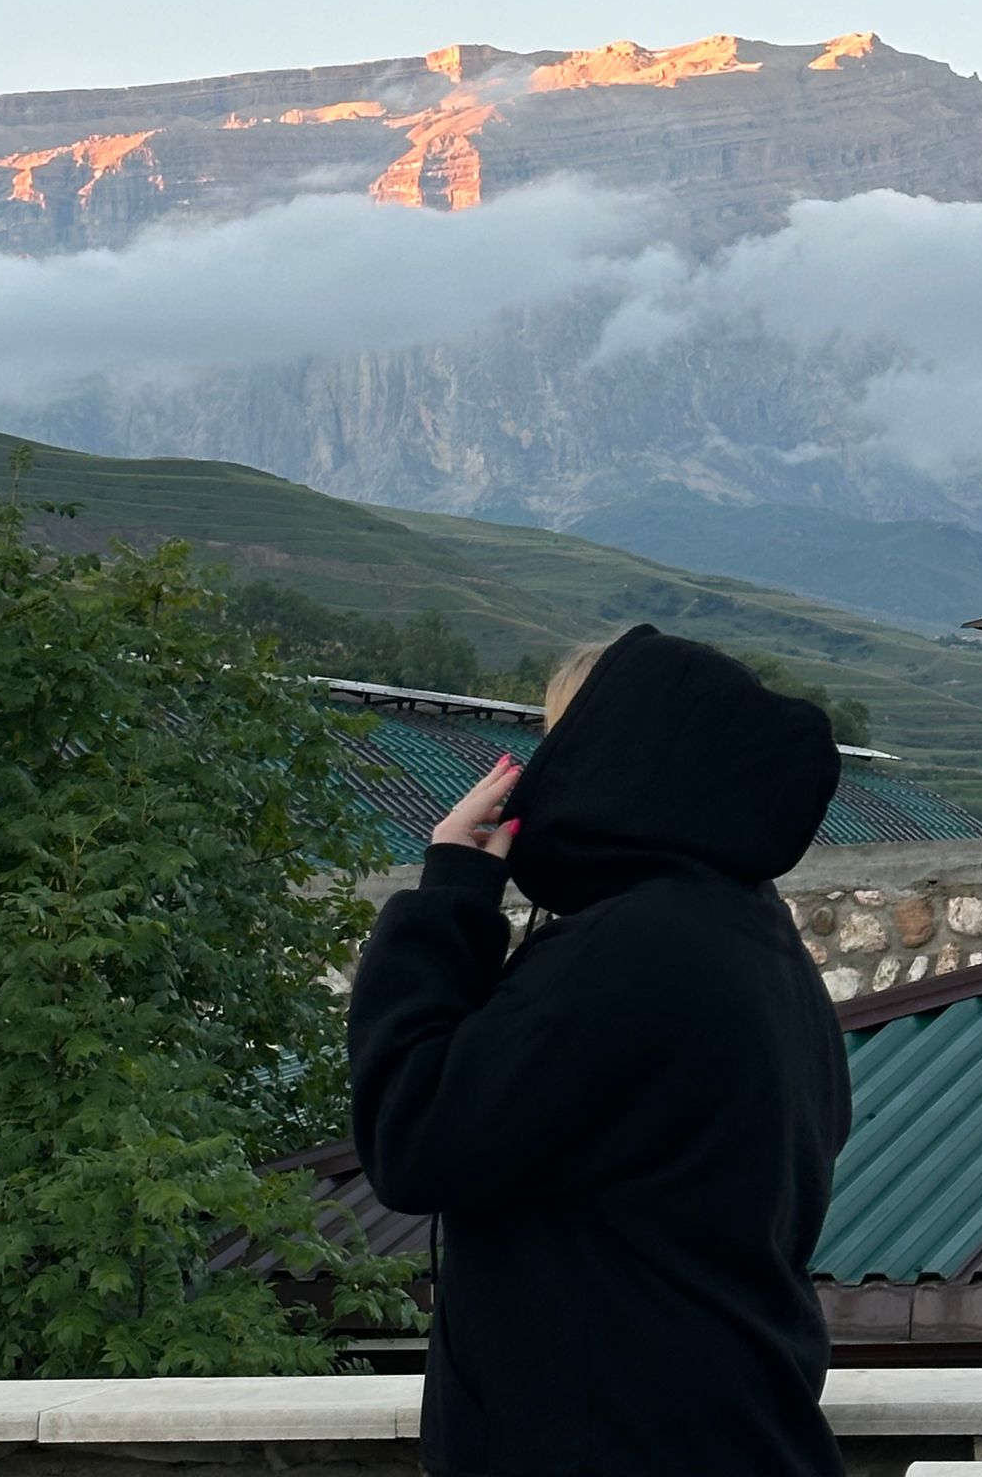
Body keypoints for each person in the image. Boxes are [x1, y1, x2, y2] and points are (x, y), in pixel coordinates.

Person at [348, 624, 852, 1477]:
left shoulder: (634, 950)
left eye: (562, 741)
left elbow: (413, 1136)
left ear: (620, 751)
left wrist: (450, 895)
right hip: (724, 1430)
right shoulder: (756, 940)